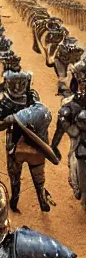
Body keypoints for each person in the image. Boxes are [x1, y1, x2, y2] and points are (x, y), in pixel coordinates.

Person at [0, 70, 57, 212]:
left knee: (15, 176)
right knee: (39, 176)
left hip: (15, 146)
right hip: (39, 145)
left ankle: (14, 200)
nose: (17, 87)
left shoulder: (1, 101)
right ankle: (41, 198)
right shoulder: (35, 100)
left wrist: (7, 118)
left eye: (20, 83)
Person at [52, 58, 86, 208]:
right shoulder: (71, 104)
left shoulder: (71, 103)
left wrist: (54, 145)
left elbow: (62, 124)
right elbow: (63, 123)